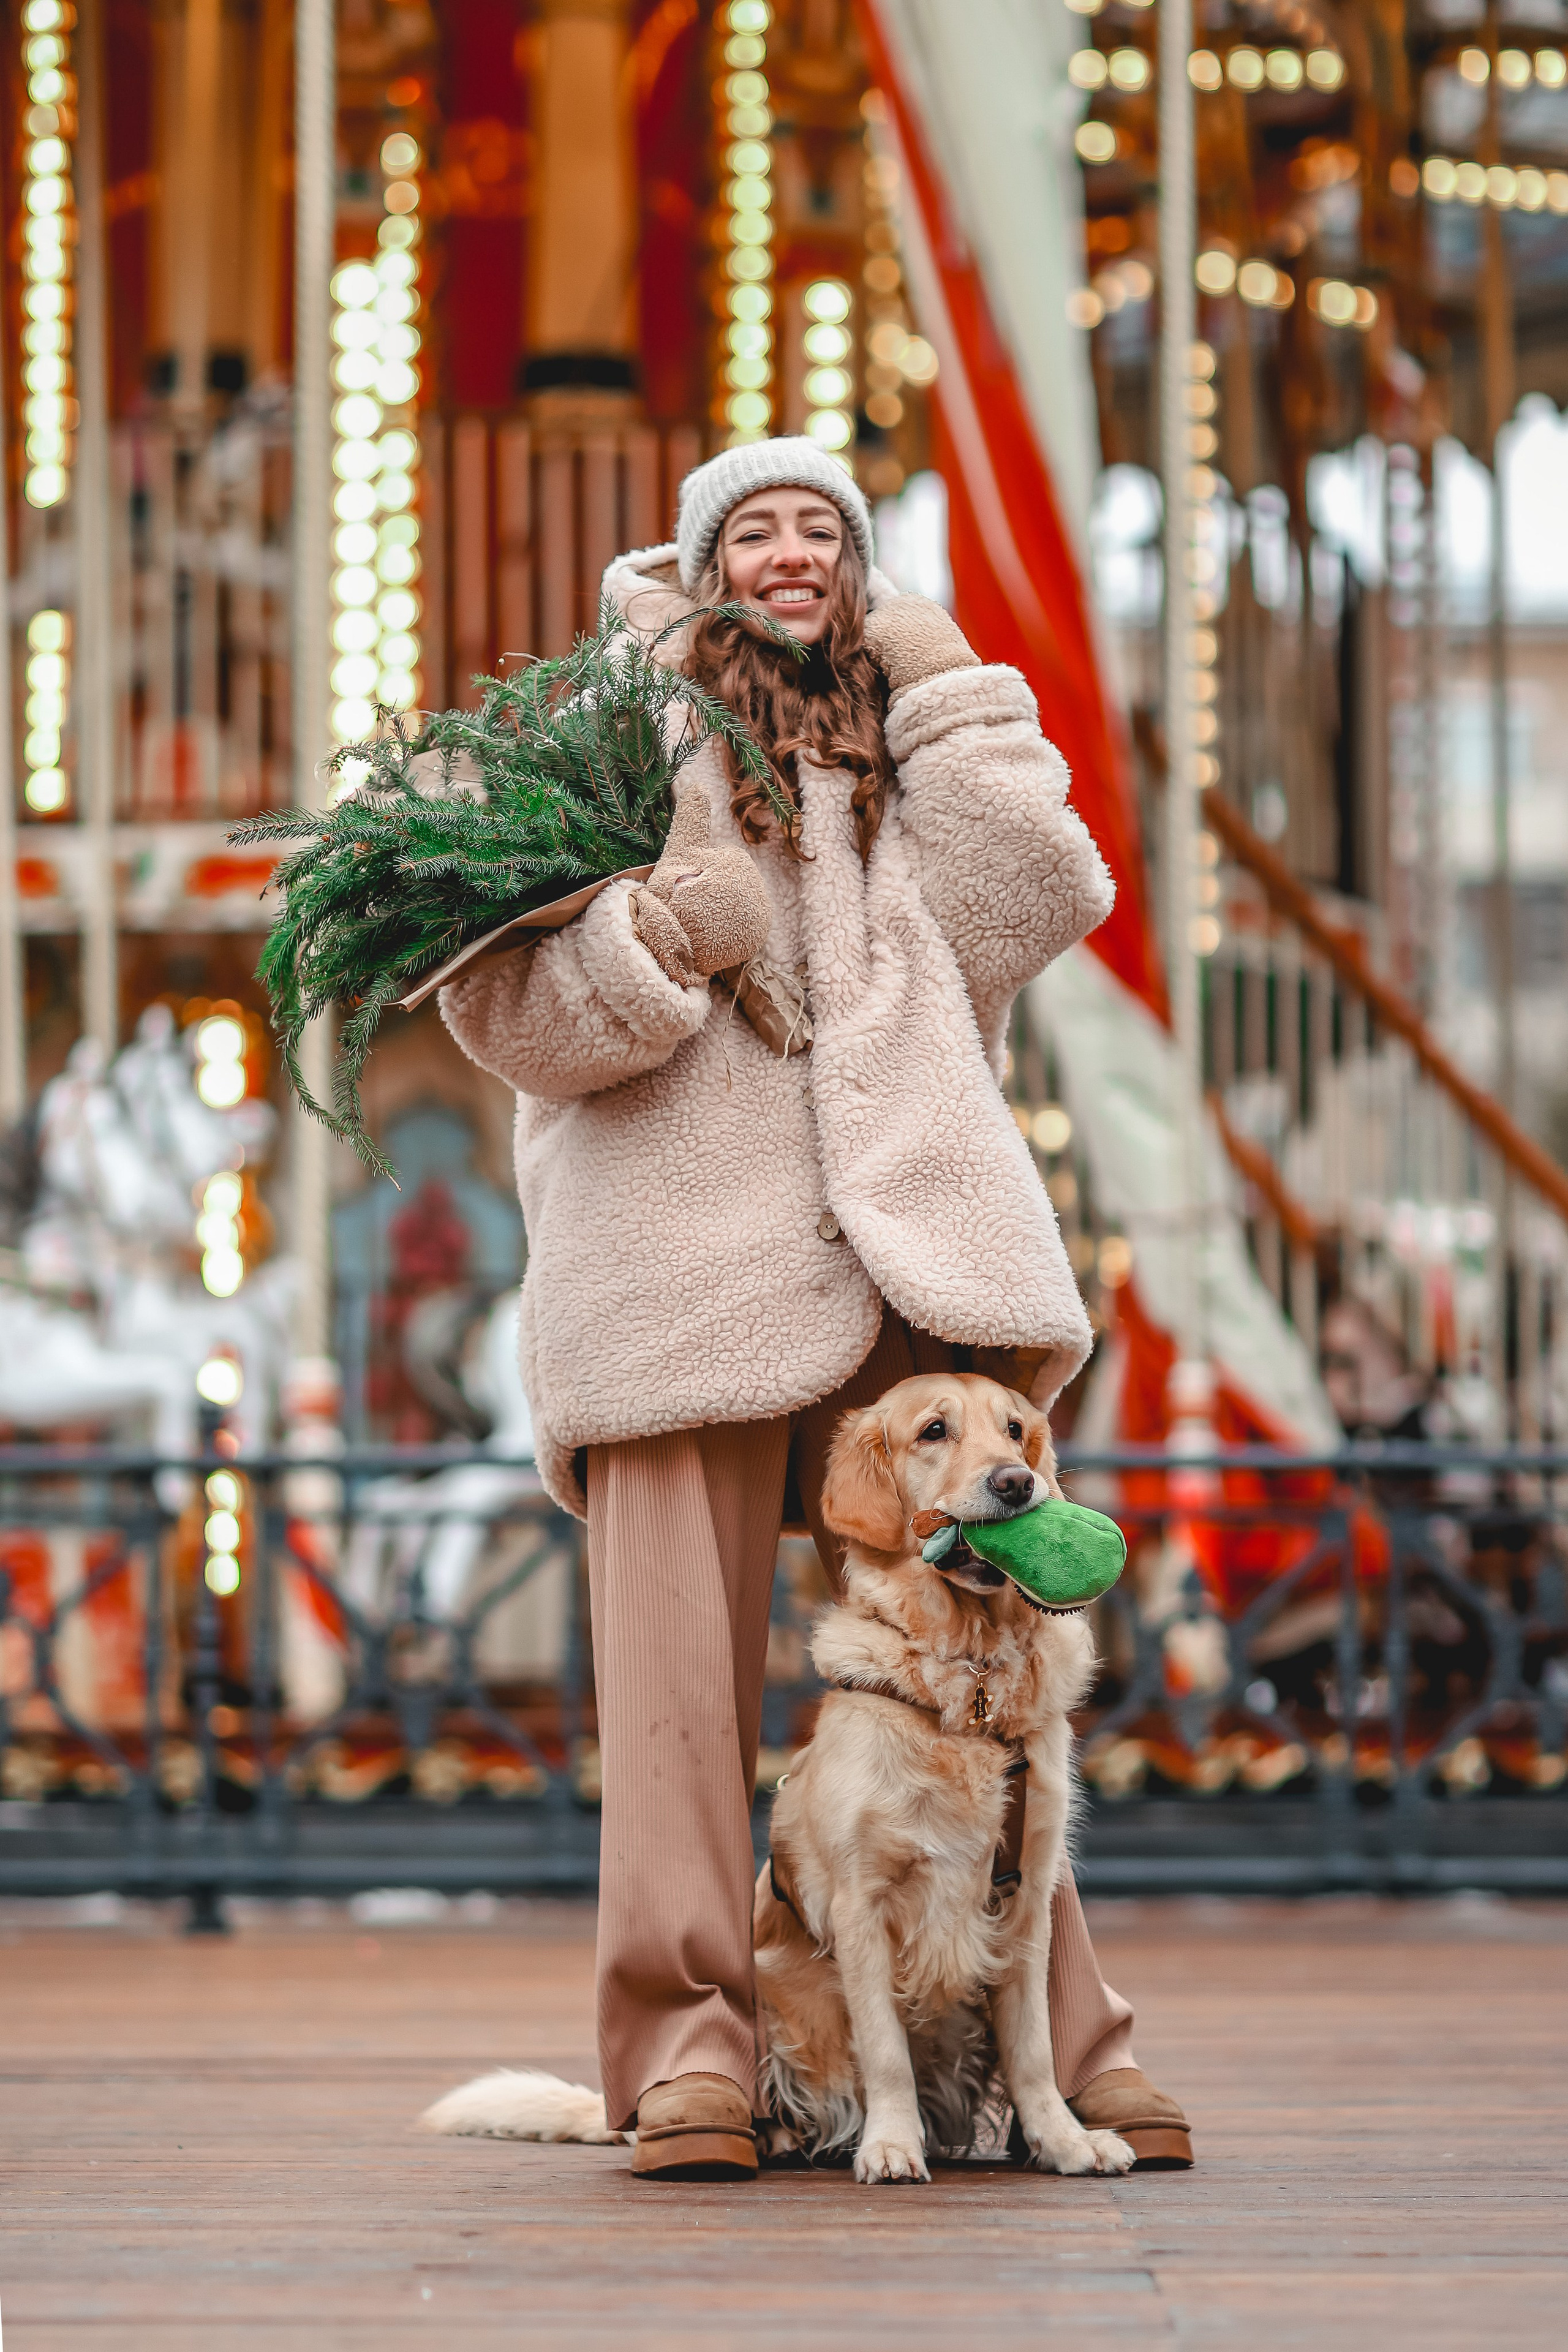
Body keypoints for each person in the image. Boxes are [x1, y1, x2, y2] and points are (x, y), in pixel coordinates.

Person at [440, 438, 1191, 2179]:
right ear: (703, 565)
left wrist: (939, 674)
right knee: (674, 1693)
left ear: (858, 569)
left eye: (823, 533)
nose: (790, 555)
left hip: (905, 1238)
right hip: (675, 1261)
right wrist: (650, 938)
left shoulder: (903, 729)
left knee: (1001, 1657)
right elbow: (503, 1014)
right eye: (756, 531)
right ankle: (691, 2050)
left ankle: (1058, 2045)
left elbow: (1044, 890)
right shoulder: (604, 727)